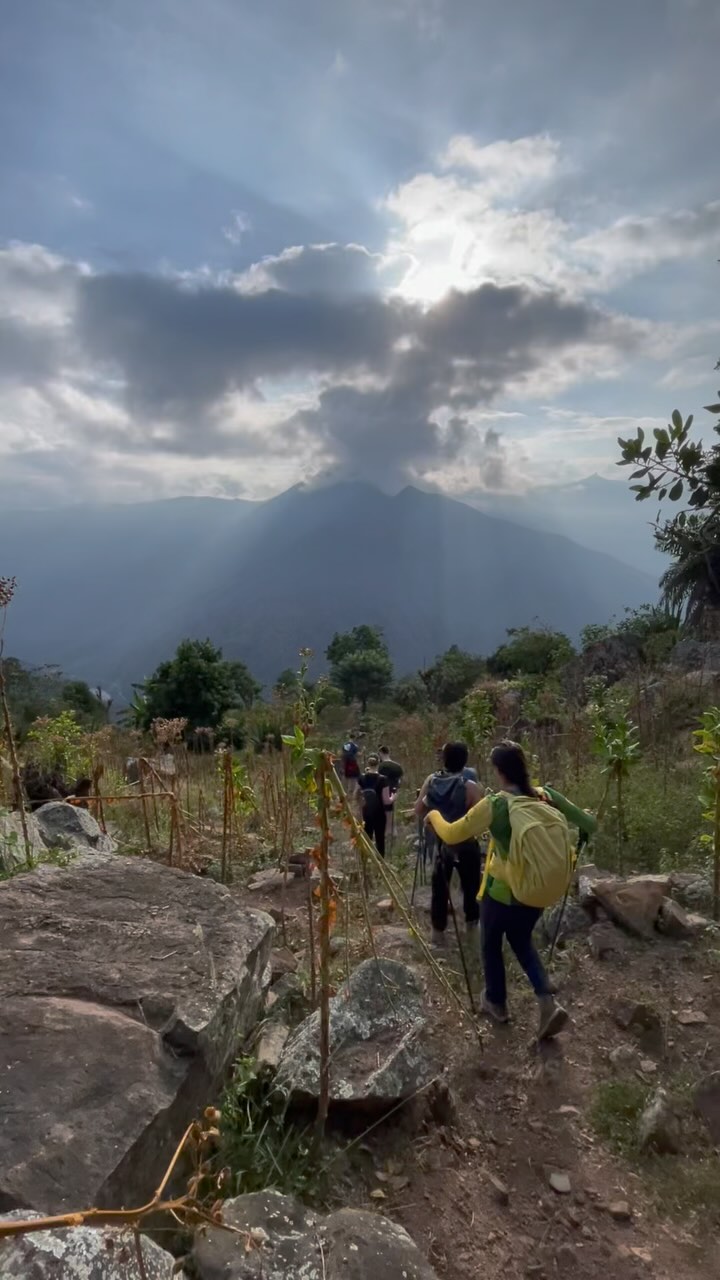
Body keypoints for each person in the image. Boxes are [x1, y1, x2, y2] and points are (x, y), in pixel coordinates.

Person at [426, 740, 596, 1040]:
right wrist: (582, 824)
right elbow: (589, 824)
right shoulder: (545, 795)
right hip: (536, 889)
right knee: (521, 940)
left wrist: (433, 816)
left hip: (502, 892)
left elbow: (453, 834)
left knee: (491, 944)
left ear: (499, 771)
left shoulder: (497, 805)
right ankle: (546, 1001)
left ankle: (496, 1003)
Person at [416, 742, 483, 948]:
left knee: (439, 889)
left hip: (442, 843)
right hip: (466, 844)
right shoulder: (470, 786)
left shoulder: (432, 781)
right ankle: (472, 931)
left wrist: (436, 823)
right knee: (472, 888)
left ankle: (438, 934)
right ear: (465, 760)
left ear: (444, 759)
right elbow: (480, 817)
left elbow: (419, 809)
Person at [357, 754, 390, 856]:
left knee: (366, 838)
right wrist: (394, 797)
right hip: (380, 813)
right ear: (378, 763)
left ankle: (364, 858)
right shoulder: (383, 779)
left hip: (366, 812)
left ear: (368, 763)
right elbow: (387, 800)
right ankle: (380, 861)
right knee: (380, 838)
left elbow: (355, 794)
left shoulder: (362, 778)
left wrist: (361, 805)